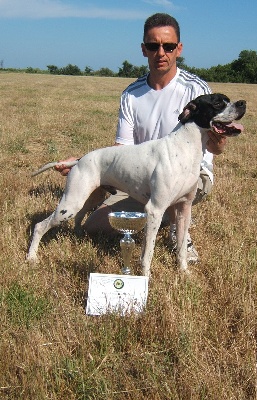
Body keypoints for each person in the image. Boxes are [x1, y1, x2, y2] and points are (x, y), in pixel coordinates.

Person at [55, 13, 226, 262]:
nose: (161, 52)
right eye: (153, 46)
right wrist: (83, 162)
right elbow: (121, 149)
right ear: (143, 49)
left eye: (168, 46)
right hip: (146, 178)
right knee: (95, 226)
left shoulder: (196, 90)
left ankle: (179, 228)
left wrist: (220, 136)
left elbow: (217, 149)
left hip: (193, 175)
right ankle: (165, 218)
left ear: (179, 49)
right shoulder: (131, 94)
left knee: (172, 194)